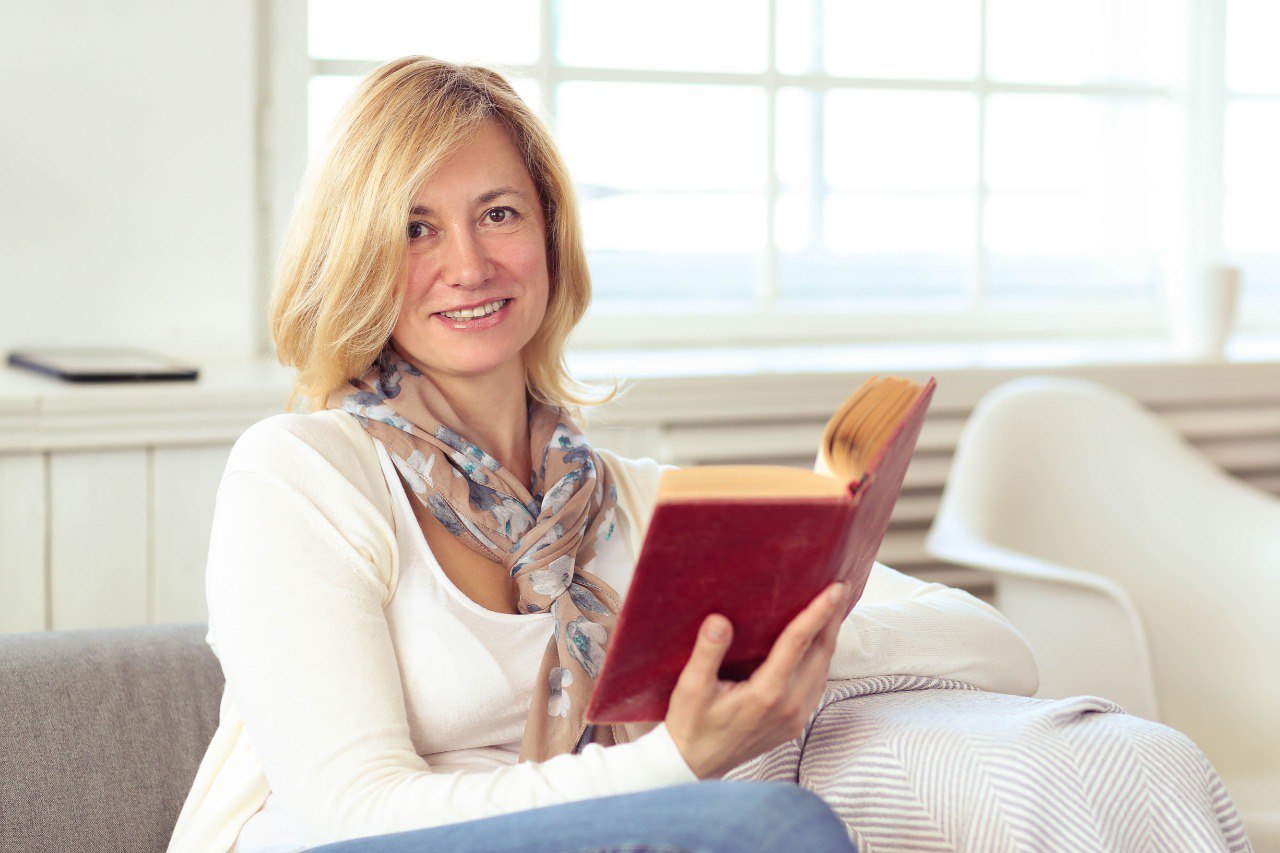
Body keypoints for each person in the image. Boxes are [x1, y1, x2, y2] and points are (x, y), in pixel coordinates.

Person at [168, 57, 1038, 853]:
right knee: (770, 826)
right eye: (415, 228)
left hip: (596, 836)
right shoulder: (304, 472)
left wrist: (770, 654)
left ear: (549, 234)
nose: (467, 265)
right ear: (356, 256)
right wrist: (679, 753)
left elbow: (995, 649)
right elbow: (352, 814)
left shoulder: (626, 503)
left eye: (498, 214)